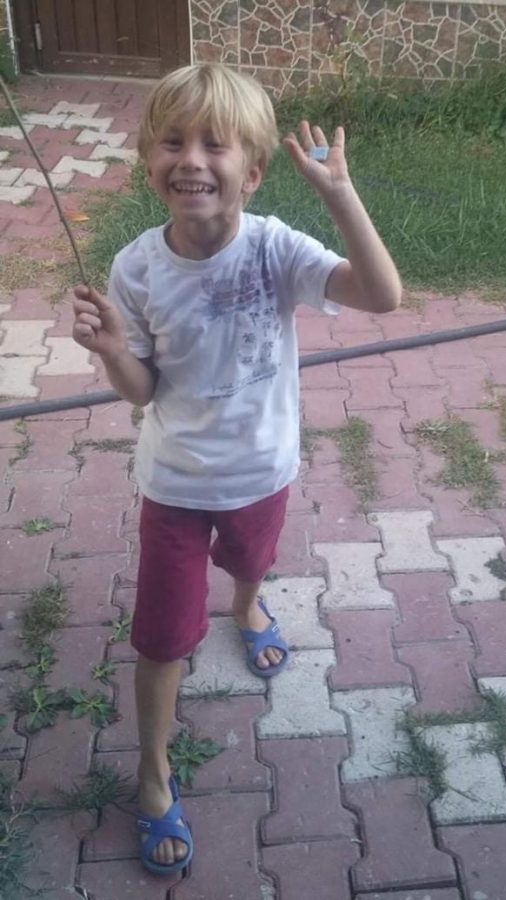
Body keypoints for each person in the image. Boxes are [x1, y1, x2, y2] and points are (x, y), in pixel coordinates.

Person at [72, 62, 401, 876]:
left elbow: (381, 295)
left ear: (251, 172)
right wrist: (113, 351)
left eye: (214, 144)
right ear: (149, 163)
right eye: (172, 141)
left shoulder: (275, 248)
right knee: (160, 637)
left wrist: (339, 195)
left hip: (262, 471)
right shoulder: (135, 269)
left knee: (251, 560)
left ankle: (248, 607)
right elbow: (144, 390)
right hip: (176, 483)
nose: (191, 158)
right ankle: (153, 773)